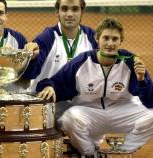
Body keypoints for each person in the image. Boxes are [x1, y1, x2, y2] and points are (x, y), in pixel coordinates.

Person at [36, 17, 153, 156]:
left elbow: (149, 101)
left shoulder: (130, 62)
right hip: (91, 114)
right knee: (69, 118)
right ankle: (90, 153)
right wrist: (50, 86)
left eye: (115, 39)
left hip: (121, 113)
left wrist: (142, 80)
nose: (110, 43)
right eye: (106, 38)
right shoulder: (82, 61)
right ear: (98, 39)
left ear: (121, 41)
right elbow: (56, 82)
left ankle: (122, 151)